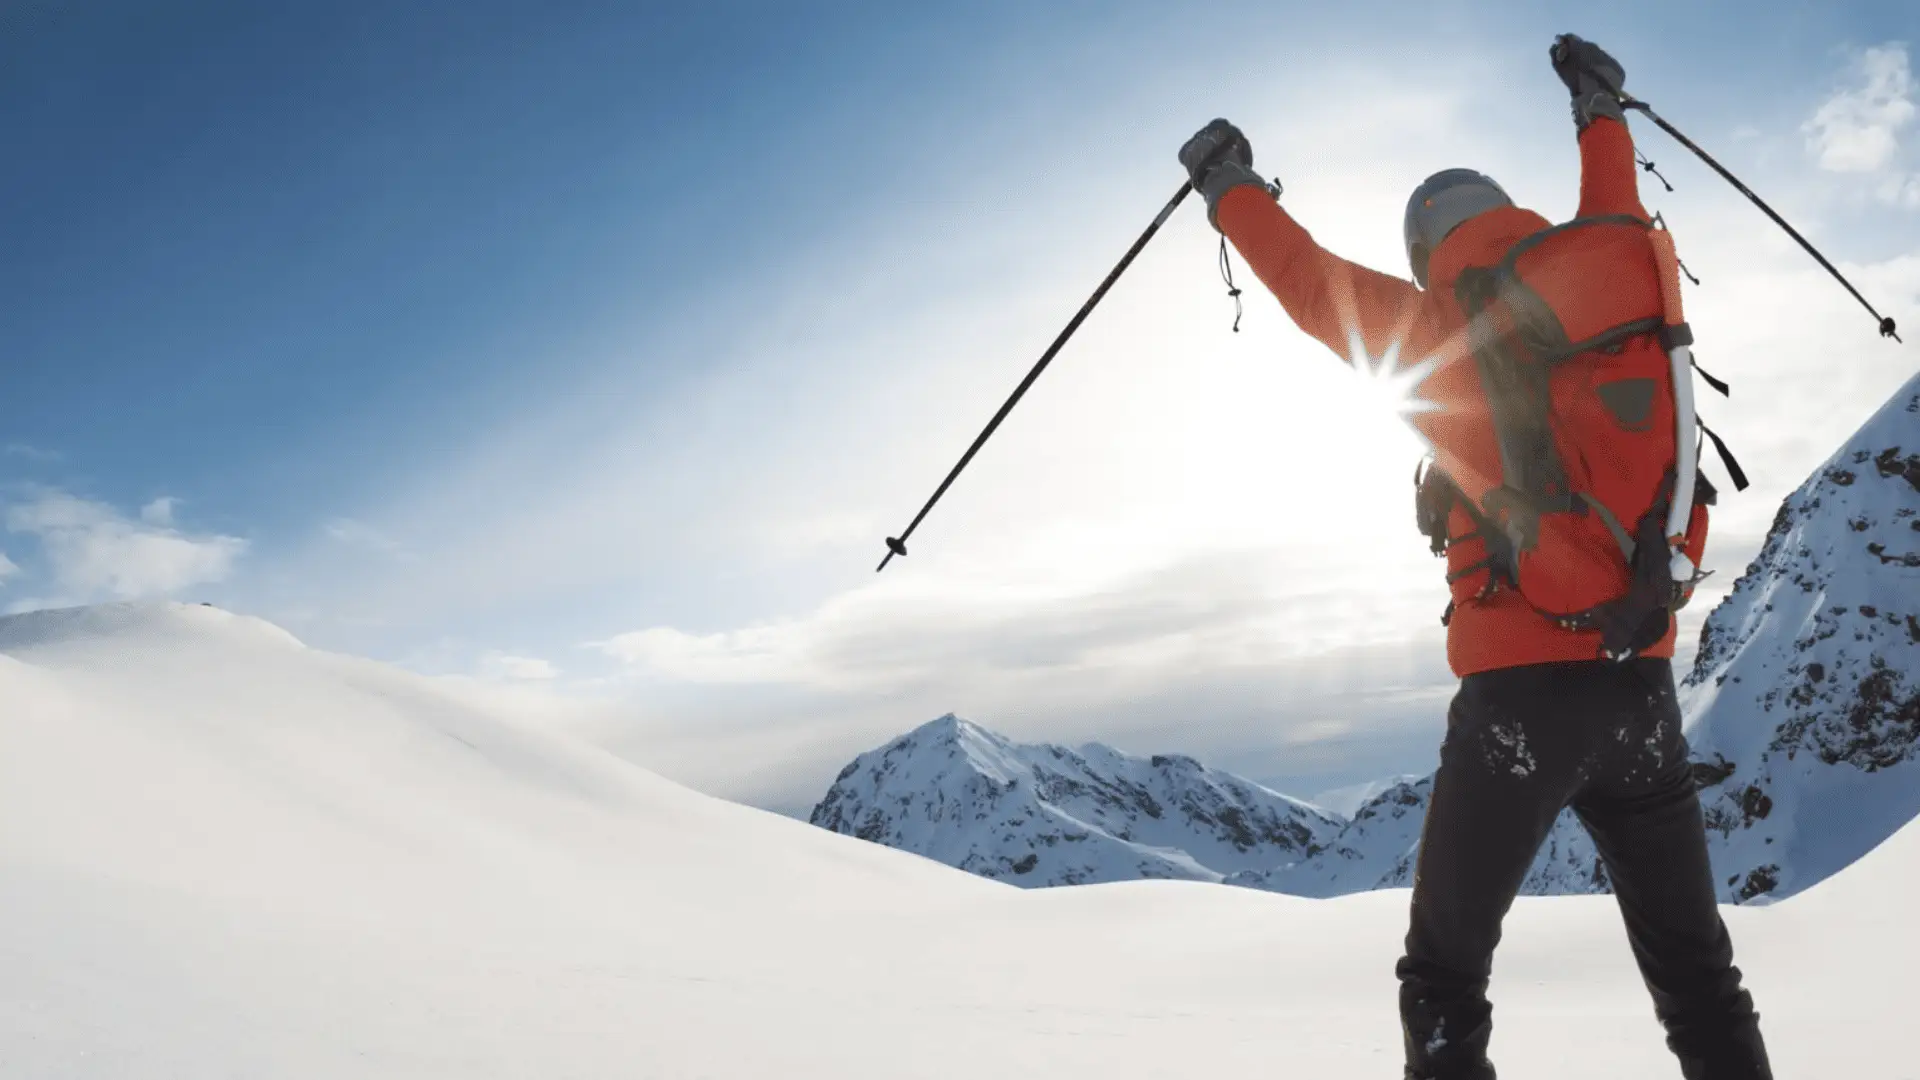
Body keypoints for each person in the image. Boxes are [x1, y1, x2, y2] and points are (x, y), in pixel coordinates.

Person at [1176, 34, 1772, 1080]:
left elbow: (1308, 283)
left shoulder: (1429, 328)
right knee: (1698, 975)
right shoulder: (1611, 278)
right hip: (1639, 681)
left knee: (1447, 976)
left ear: (1424, 248)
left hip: (1519, 704)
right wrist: (1599, 101)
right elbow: (1612, 190)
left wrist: (1229, 185)